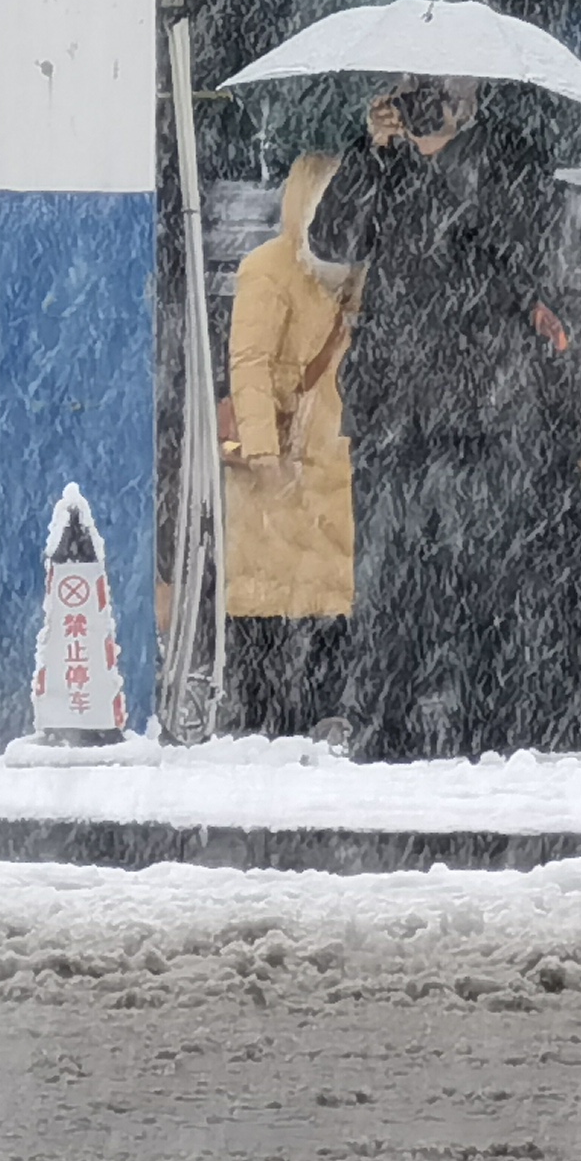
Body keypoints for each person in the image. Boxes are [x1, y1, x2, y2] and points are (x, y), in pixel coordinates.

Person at [305, 73, 581, 756]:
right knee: (387, 582)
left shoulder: (512, 158)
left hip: (484, 409)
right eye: (412, 88)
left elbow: (524, 247)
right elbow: (334, 241)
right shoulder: (382, 160)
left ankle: (485, 735)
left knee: (482, 583)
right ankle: (378, 731)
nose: (423, 100)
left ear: (472, 88)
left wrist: (445, 159)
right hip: (392, 405)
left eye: (436, 89)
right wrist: (373, 151)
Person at [219, 153, 362, 738]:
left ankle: (318, 711)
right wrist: (261, 451)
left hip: (335, 457)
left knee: (331, 595)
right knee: (262, 594)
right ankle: (261, 718)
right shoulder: (269, 270)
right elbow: (248, 365)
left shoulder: (357, 274)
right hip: (278, 459)